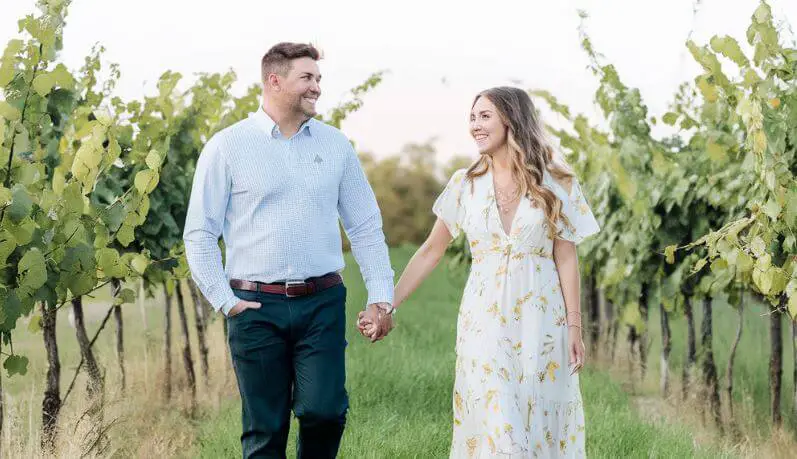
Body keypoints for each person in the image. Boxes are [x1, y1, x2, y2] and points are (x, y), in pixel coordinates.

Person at [359, 86, 600, 457]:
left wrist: (574, 326)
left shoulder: (557, 181)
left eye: (484, 116)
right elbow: (430, 251)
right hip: (483, 322)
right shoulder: (465, 184)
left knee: (540, 422)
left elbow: (566, 257)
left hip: (542, 323)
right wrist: (386, 304)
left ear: (512, 119)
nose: (475, 125)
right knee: (497, 424)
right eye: (472, 117)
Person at [183, 42, 395, 459]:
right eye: (308, 78)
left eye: (318, 79)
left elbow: (366, 226)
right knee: (265, 430)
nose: (317, 87)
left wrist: (381, 298)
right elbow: (200, 232)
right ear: (274, 81)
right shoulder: (227, 146)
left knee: (325, 411)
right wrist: (225, 302)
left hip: (322, 302)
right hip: (254, 306)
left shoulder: (336, 146)